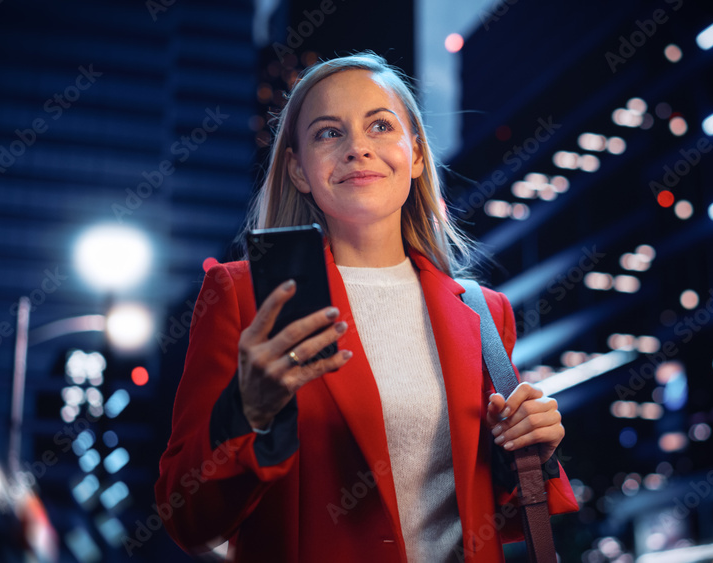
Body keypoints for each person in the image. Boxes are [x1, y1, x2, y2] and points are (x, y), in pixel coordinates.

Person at [155, 52, 578, 562]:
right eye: (328, 133)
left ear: (416, 155)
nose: (358, 148)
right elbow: (187, 517)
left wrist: (531, 447)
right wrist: (248, 414)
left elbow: (495, 510)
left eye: (380, 125)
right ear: (298, 169)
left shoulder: (485, 312)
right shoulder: (244, 296)